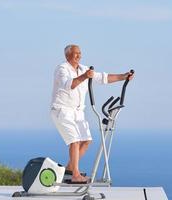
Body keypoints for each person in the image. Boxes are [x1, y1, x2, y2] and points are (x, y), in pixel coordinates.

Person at [50, 44, 134, 183]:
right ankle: (76, 175)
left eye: (80, 53)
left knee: (86, 141)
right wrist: (84, 77)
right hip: (62, 110)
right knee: (75, 141)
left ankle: (70, 168)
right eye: (75, 53)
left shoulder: (84, 69)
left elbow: (103, 78)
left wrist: (123, 77)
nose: (79, 55)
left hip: (77, 112)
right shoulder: (62, 69)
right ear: (67, 56)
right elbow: (68, 85)